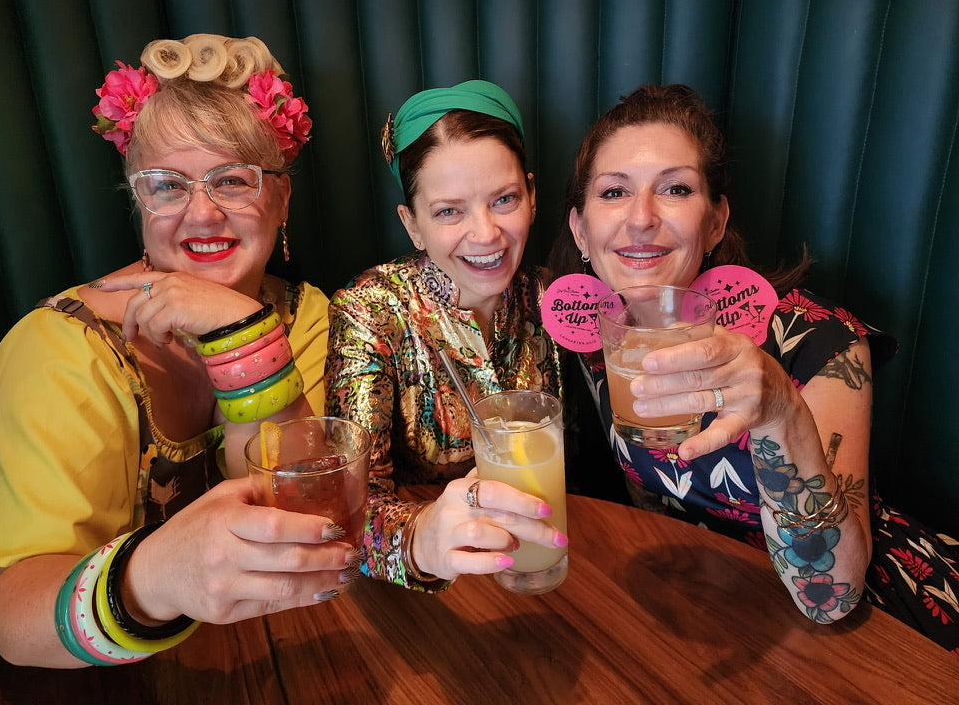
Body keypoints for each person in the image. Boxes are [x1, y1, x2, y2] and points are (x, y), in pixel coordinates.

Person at [0, 34, 357, 665]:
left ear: (283, 197)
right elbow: (13, 620)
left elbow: (295, 516)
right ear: (138, 199)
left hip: (226, 651)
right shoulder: (60, 349)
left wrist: (241, 337)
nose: (202, 213)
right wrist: (151, 579)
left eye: (232, 180)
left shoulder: (304, 315)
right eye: (167, 185)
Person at [549, 83, 959, 656]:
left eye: (675, 189)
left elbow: (832, 598)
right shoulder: (596, 340)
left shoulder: (817, 341)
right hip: (717, 622)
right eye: (614, 191)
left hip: (885, 625)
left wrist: (779, 411)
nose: (641, 218)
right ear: (580, 230)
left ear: (715, 222)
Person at [325, 81, 567, 589]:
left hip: (549, 564)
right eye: (449, 211)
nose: (485, 234)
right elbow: (347, 509)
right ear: (412, 225)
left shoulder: (557, 300)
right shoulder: (372, 309)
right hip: (430, 596)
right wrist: (421, 540)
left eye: (504, 200)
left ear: (532, 195)